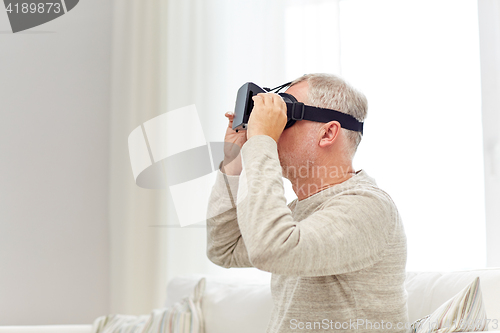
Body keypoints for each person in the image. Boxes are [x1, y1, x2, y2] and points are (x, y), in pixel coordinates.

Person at [206, 73, 409, 333]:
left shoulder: (368, 206)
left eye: (285, 116)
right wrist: (235, 159)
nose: (274, 128)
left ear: (327, 133)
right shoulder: (298, 212)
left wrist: (261, 142)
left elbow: (271, 248)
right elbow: (224, 249)